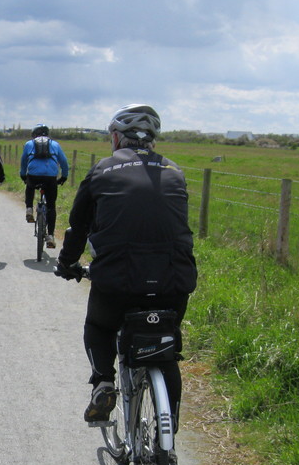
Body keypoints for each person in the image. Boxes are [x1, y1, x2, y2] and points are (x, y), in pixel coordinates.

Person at [55, 104, 197, 429]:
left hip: (118, 280)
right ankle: (168, 433)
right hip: (175, 279)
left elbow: (78, 227)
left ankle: (104, 382)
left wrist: (67, 264)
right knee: (166, 344)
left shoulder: (102, 171)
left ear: (117, 137)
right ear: (153, 140)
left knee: (99, 327)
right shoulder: (175, 172)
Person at [20, 123, 69, 248]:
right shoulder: (55, 144)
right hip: (50, 177)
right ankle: (51, 236)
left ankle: (29, 209)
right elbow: (63, 162)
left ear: (34, 134)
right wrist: (64, 176)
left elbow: (24, 161)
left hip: (34, 176)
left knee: (30, 186)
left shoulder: (29, 144)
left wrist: (23, 175)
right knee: (51, 206)